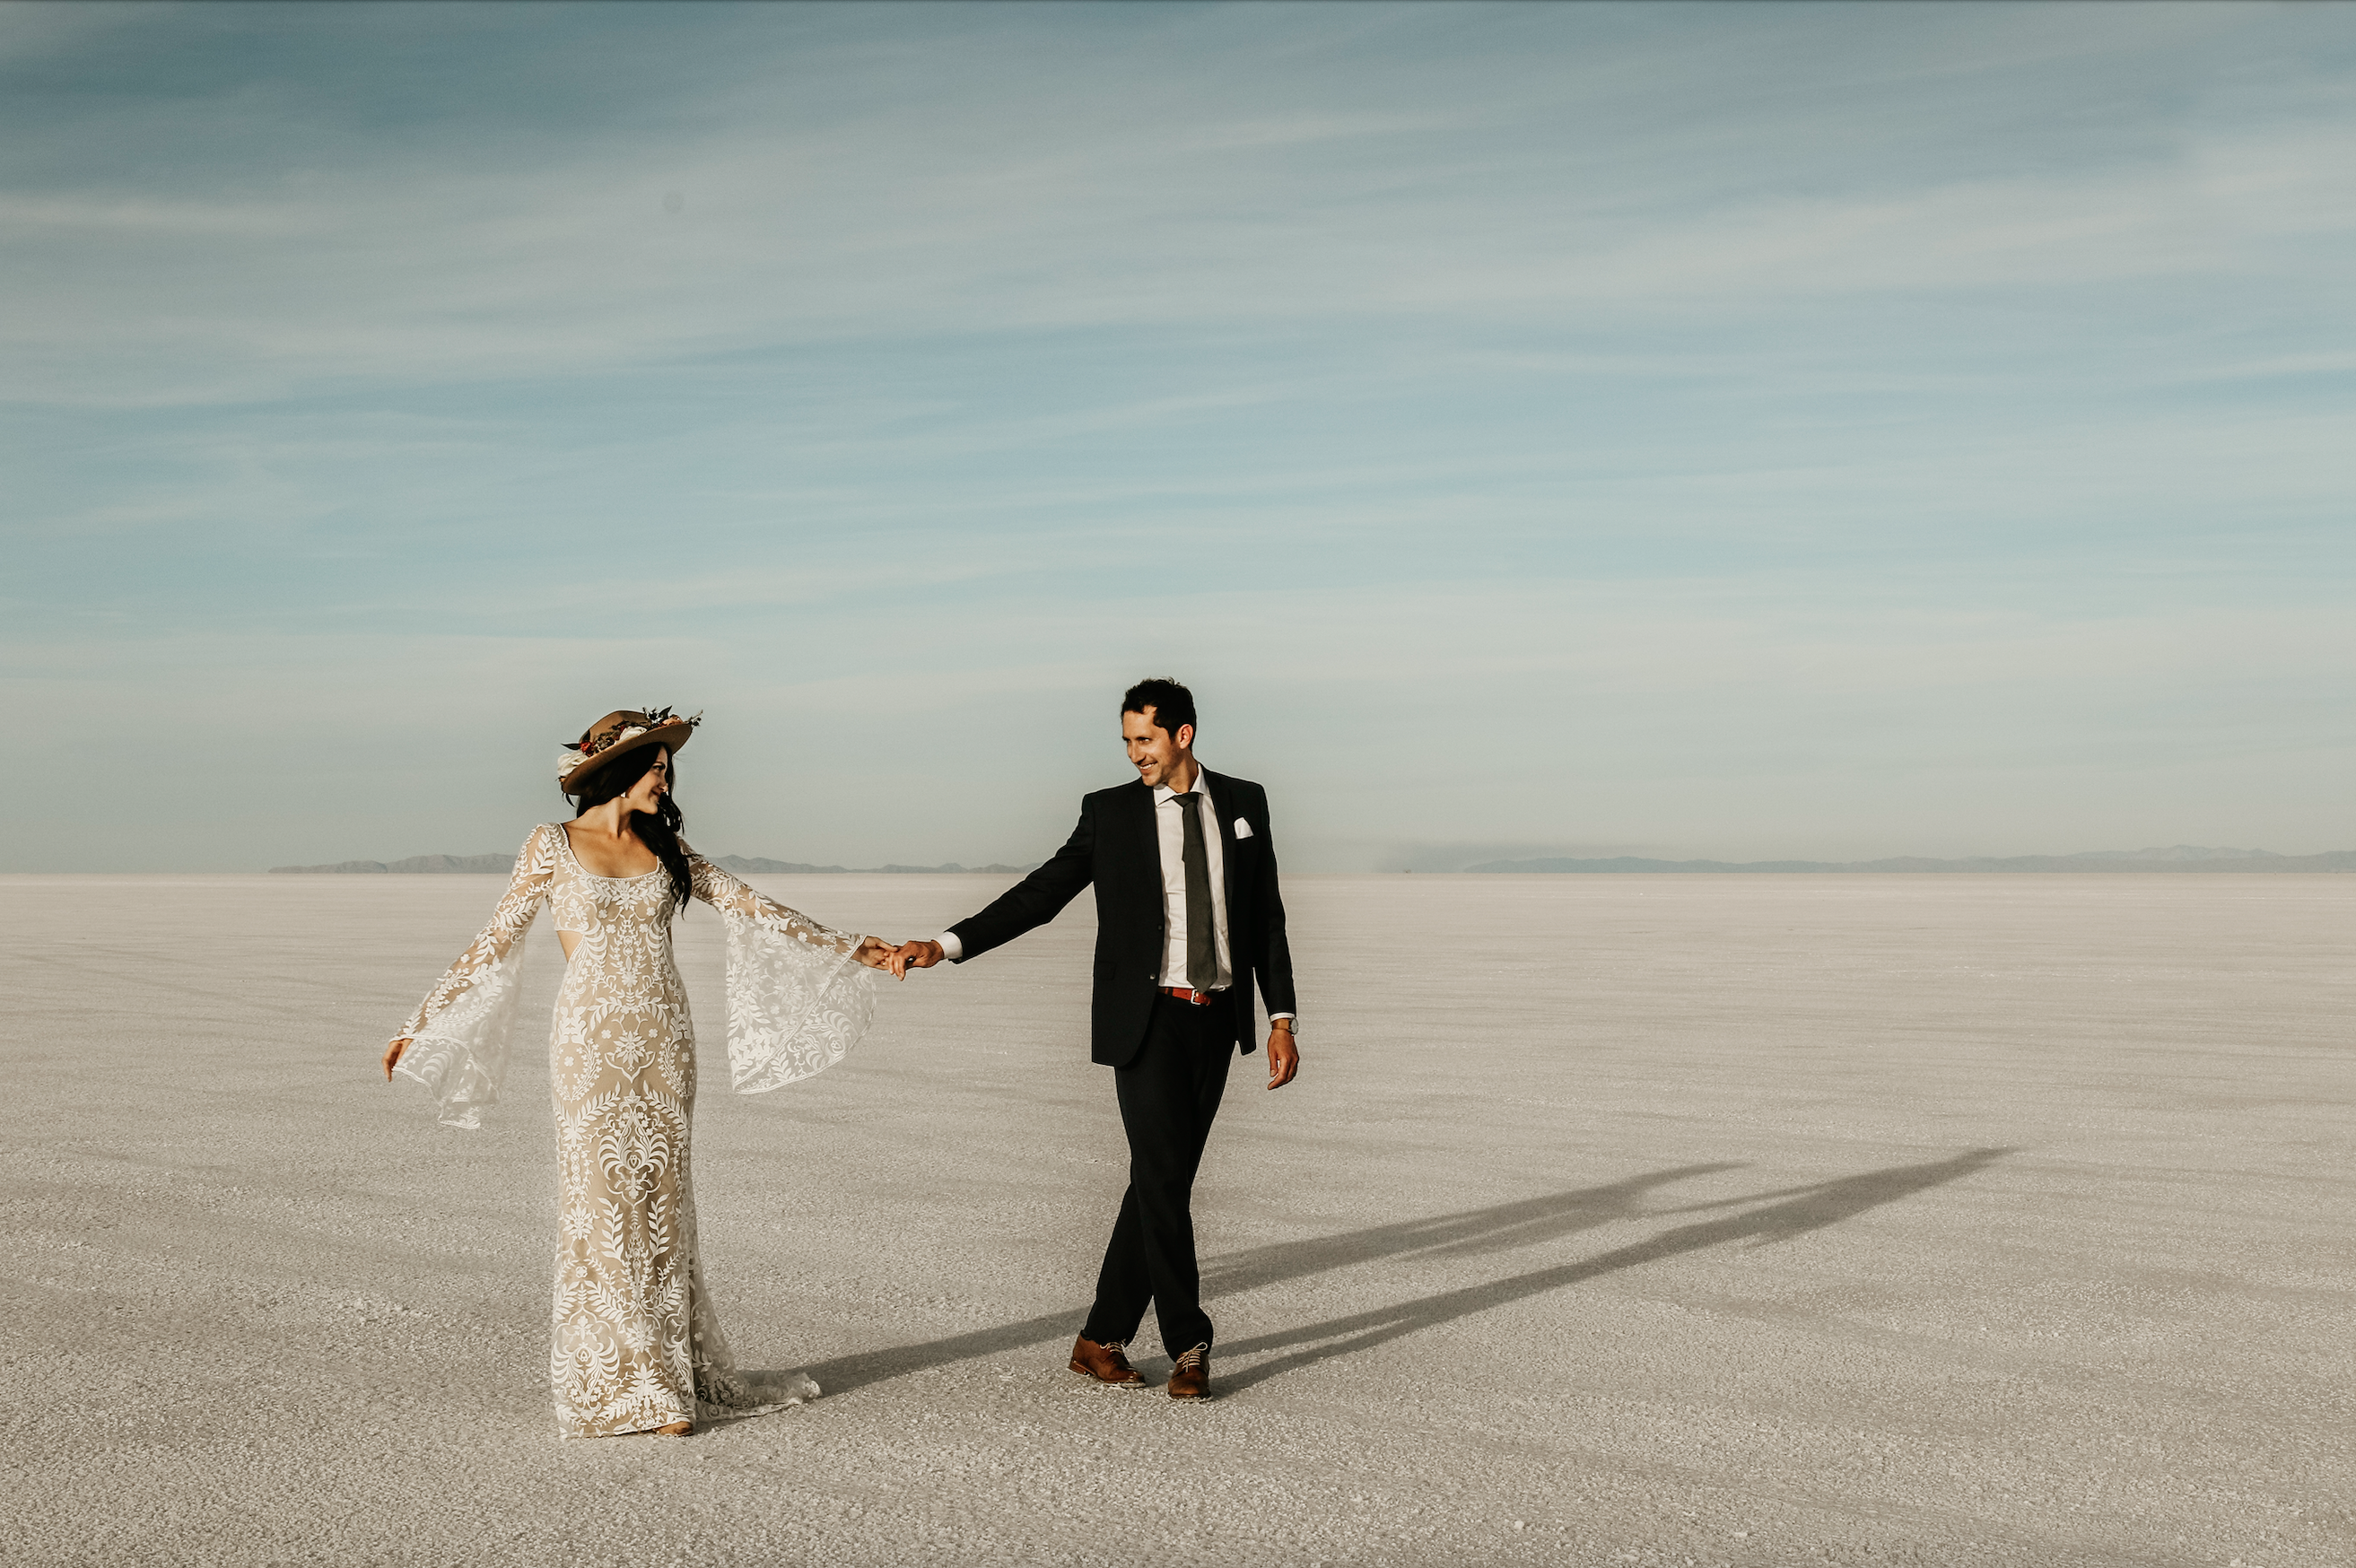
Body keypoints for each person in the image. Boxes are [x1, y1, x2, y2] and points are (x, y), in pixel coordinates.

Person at [381, 708, 897, 1438]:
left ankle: (668, 1374)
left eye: (667, 770)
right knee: (600, 1207)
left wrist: (854, 948)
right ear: (618, 773)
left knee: (660, 1204)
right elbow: (495, 940)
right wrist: (423, 1020)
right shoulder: (550, 845)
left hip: (663, 1040)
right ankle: (630, 1385)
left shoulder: (667, 845)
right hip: (589, 1044)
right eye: (656, 768)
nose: (666, 780)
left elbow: (752, 906)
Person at [891, 678, 1299, 1399]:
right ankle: (1189, 1341)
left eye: (1145, 739)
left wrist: (1281, 1017)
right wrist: (947, 944)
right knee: (1165, 1181)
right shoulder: (1110, 813)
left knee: (1158, 1182)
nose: (1135, 754)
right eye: (1127, 742)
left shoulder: (1244, 802)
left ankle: (1097, 1339)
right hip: (1144, 1020)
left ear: (1183, 735)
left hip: (1219, 1015)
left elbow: (1266, 913)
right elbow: (1041, 895)